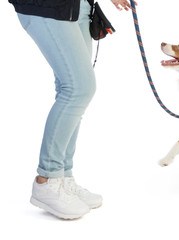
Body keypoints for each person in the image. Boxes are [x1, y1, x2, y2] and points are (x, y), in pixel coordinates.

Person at [8, 0, 137, 219]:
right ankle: (47, 179)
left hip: (78, 6)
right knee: (79, 88)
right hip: (47, 7)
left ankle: (63, 177)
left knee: (70, 89)